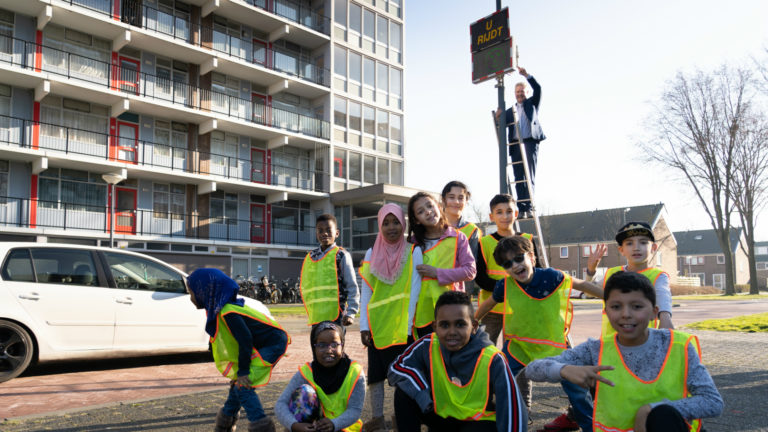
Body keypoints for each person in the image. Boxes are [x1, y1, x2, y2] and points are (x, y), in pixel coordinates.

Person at [525, 272, 724, 432]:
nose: (626, 314)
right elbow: (533, 369)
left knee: (663, 415)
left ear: (654, 312)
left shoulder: (678, 346)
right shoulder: (596, 349)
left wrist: (651, 410)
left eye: (636, 306)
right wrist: (563, 370)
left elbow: (712, 401)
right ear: (606, 310)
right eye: (616, 306)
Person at [475, 236, 603, 432]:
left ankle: (591, 427)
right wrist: (473, 321)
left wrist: (610, 295)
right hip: (519, 347)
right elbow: (488, 303)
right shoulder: (505, 285)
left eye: (519, 258)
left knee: (577, 391)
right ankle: (501, 422)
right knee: (501, 381)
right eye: (508, 264)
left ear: (532, 257)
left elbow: (583, 286)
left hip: (554, 346)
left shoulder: (552, 277)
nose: (515, 265)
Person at [388, 291, 527, 432]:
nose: (452, 331)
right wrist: (422, 393)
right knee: (404, 392)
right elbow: (397, 367)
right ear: (435, 327)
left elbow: (512, 407)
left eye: (460, 324)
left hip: (477, 421)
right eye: (444, 325)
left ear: (474, 326)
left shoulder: (492, 358)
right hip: (441, 416)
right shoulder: (428, 344)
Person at [186, 268, 290, 432]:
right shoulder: (219, 310)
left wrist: (242, 371)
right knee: (238, 385)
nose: (191, 298)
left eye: (192, 292)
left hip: (273, 344)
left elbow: (245, 340)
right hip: (263, 343)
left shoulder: (228, 312)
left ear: (205, 291)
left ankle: (261, 426)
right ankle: (224, 425)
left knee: (244, 385)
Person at [358, 203, 423, 432]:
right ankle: (377, 419)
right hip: (377, 325)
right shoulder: (371, 253)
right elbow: (367, 292)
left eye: (395, 221)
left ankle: (400, 417)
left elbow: (415, 290)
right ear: (379, 225)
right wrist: (364, 326)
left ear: (403, 224)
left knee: (401, 377)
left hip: (401, 326)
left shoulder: (414, 251)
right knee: (375, 376)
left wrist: (407, 326)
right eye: (386, 222)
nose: (391, 227)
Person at [275, 321, 366, 432]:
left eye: (334, 344)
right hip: (314, 427)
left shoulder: (355, 372)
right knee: (304, 392)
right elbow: (281, 404)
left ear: (342, 345)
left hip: (345, 428)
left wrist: (334, 424)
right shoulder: (306, 372)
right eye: (322, 345)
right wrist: (293, 425)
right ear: (314, 347)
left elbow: (355, 409)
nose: (329, 351)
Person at [408, 192, 476, 338]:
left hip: (452, 309)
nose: (427, 212)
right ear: (416, 220)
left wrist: (437, 273)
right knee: (429, 355)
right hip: (422, 313)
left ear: (439, 207)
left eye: (430, 206)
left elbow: (470, 271)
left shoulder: (458, 237)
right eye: (420, 211)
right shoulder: (412, 243)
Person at [585, 221, 674, 333]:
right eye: (629, 243)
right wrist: (591, 271)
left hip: (642, 344)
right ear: (621, 250)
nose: (636, 248)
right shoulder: (611, 274)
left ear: (653, 247)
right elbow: (588, 293)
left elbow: (663, 297)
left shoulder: (658, 277)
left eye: (643, 242)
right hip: (610, 346)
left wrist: (665, 319)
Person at [474, 194, 539, 345]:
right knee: (485, 348)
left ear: (516, 213)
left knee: (518, 350)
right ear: (492, 216)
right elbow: (480, 278)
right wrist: (504, 289)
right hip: (491, 309)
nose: (505, 216)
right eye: (499, 212)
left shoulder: (527, 239)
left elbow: (537, 268)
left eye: (509, 211)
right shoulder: (484, 243)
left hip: (520, 308)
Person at [494, 67, 545, 217]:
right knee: (518, 176)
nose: (520, 94)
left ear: (526, 92)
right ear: (514, 94)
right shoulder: (510, 111)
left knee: (529, 174)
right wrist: (498, 119)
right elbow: (501, 128)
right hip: (516, 144)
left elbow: (538, 88)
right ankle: (521, 207)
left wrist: (527, 75)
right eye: (517, 92)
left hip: (529, 142)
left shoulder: (532, 104)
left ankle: (529, 206)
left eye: (522, 91)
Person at [300, 214, 359, 327]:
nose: (324, 233)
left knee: (334, 345)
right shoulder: (311, 257)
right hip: (316, 318)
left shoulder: (341, 255)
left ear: (337, 233)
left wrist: (351, 313)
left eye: (328, 230)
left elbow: (352, 286)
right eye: (320, 230)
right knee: (318, 345)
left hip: (337, 317)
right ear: (316, 234)